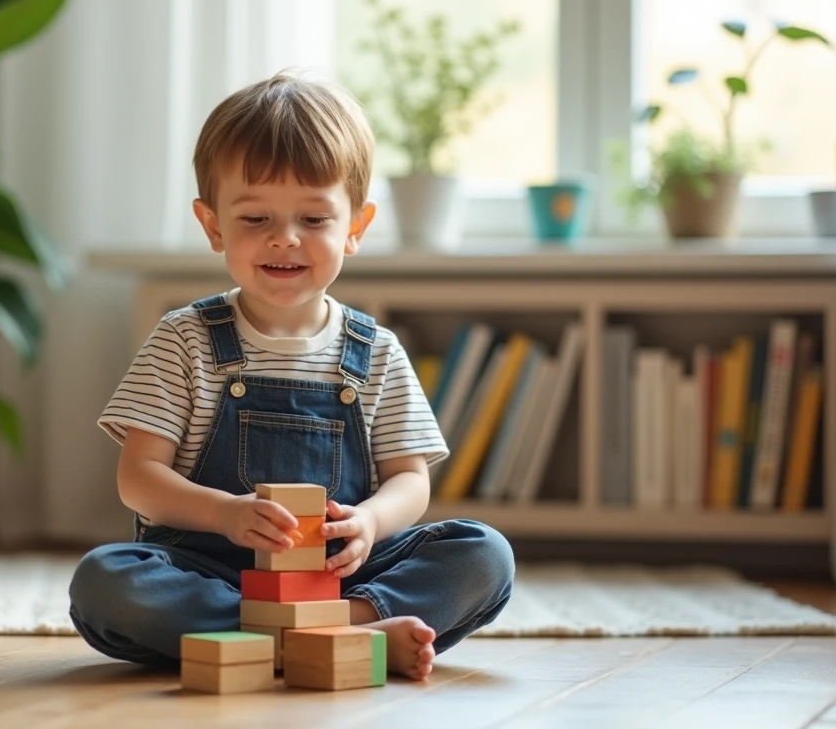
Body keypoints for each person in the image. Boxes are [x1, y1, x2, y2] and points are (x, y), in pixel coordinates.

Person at [69, 70, 514, 680]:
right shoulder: (184, 339)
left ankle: (336, 623)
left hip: (339, 574)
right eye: (255, 220)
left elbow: (410, 480)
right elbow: (138, 479)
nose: (285, 239)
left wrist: (372, 522)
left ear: (354, 227)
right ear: (213, 225)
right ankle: (325, 639)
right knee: (105, 581)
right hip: (216, 573)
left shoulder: (375, 350)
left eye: (313, 219)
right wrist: (227, 514)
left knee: (484, 555)